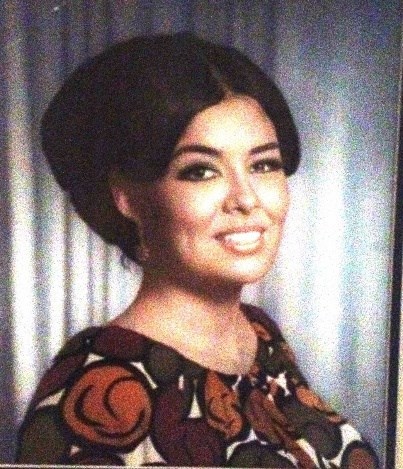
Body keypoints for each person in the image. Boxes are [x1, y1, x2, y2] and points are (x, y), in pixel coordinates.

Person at [15, 32, 378, 467]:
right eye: (201, 171)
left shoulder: (260, 337)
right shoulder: (96, 390)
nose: (246, 199)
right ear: (126, 198)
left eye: (264, 164)